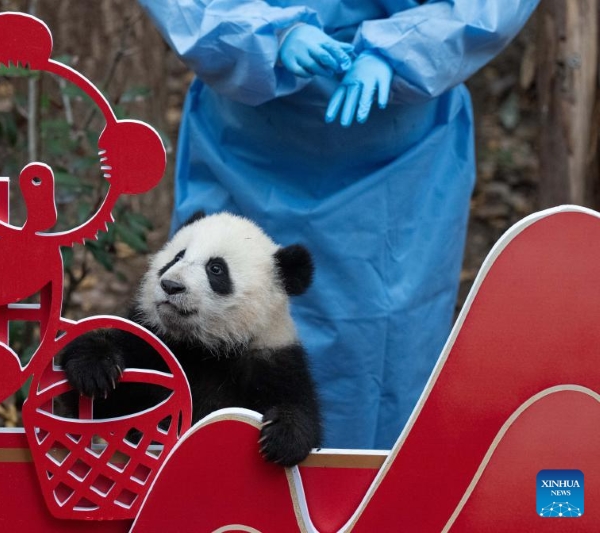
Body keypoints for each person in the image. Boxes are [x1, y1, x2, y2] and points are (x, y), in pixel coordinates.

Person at [137, 1, 540, 450]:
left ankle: (373, 507)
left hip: (399, 151)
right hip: (245, 135)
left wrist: (411, 48)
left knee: (386, 361)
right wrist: (261, 34)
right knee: (198, 336)